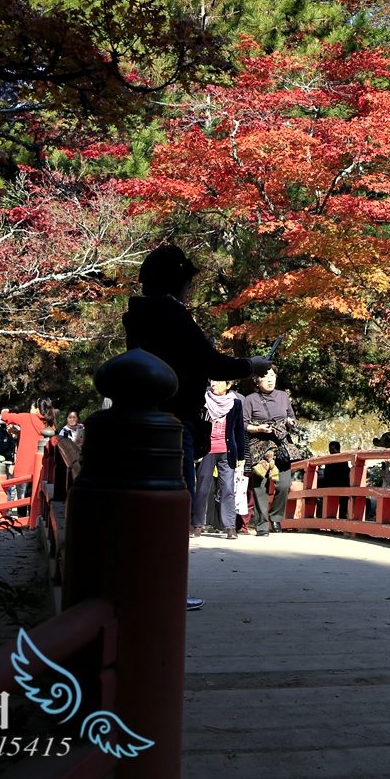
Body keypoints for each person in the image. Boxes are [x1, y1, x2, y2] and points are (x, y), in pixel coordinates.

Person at [123, 244, 271, 608]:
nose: (190, 287)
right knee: (174, 503)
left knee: (147, 505)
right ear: (177, 281)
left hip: (141, 420)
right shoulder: (172, 316)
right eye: (187, 280)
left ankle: (140, 582)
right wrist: (250, 365)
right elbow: (210, 363)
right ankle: (167, 587)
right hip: (174, 421)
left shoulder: (139, 316)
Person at [243, 367, 296, 535]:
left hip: (281, 445)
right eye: (265, 376)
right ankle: (262, 525)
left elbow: (293, 418)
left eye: (272, 375)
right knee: (260, 486)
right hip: (259, 445)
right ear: (257, 381)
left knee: (284, 484)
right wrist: (258, 428)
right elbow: (243, 424)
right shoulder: (250, 399)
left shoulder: (282, 396)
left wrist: (290, 422)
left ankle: (276, 517)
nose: (270, 379)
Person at [198, 379, 248, 539]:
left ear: (228, 385)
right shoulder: (203, 399)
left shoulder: (235, 403)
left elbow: (239, 430)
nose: (214, 384)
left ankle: (230, 527)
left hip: (227, 450)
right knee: (203, 486)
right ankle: (197, 524)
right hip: (206, 450)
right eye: (212, 380)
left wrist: (241, 455)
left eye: (219, 381)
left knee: (227, 488)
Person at [317, 439, 351, 520]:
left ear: (338, 450)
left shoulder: (343, 459)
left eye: (333, 449)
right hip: (331, 484)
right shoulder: (329, 459)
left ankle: (342, 519)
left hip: (342, 484)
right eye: (330, 450)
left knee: (343, 504)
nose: (331, 452)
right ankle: (330, 520)